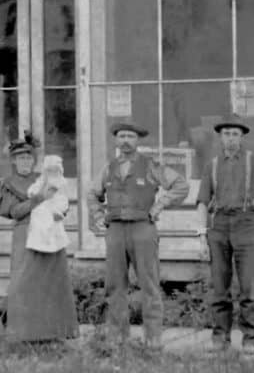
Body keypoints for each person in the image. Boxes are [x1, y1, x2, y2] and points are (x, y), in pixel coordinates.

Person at [195, 114, 254, 355]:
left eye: (235, 134)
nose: (231, 138)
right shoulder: (212, 165)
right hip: (218, 227)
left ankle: (250, 339)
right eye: (227, 133)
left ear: (242, 137)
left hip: (247, 225)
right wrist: (201, 236)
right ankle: (220, 339)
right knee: (219, 287)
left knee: (249, 286)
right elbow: (201, 202)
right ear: (220, 137)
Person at [87, 120, 189, 349]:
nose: (125, 141)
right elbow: (92, 193)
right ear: (116, 139)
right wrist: (96, 215)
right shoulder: (109, 167)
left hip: (143, 229)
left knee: (149, 285)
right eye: (121, 136)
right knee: (114, 286)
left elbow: (181, 185)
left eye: (130, 137)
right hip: (115, 231)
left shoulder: (151, 165)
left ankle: (153, 339)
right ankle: (117, 338)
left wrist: (159, 205)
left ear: (137, 140)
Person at [0, 131, 78, 342]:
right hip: (25, 234)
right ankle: (23, 333)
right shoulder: (8, 183)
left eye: (29, 157)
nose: (25, 162)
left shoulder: (43, 178)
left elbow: (60, 201)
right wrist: (39, 199)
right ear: (13, 160)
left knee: (50, 280)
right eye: (21, 158)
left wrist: (58, 210)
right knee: (23, 281)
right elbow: (14, 212)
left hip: (49, 233)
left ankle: (53, 332)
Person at [25, 155, 70, 253]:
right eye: (49, 171)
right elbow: (34, 189)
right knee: (39, 213)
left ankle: (49, 241)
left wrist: (60, 208)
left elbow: (63, 197)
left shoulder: (61, 182)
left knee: (53, 221)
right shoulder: (42, 180)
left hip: (55, 203)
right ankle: (41, 241)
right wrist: (33, 191)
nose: (52, 173)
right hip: (44, 204)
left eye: (54, 170)